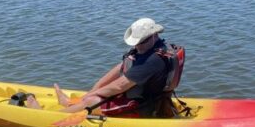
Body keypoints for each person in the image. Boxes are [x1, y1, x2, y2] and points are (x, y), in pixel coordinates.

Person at [27, 18, 175, 117]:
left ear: (154, 35)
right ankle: (70, 103)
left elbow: (119, 86)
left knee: (92, 102)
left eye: (141, 42)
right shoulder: (153, 48)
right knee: (92, 96)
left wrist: (91, 97)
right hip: (140, 97)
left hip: (141, 107)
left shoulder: (152, 60)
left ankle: (48, 117)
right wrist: (92, 91)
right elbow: (120, 68)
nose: (137, 46)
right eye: (135, 43)